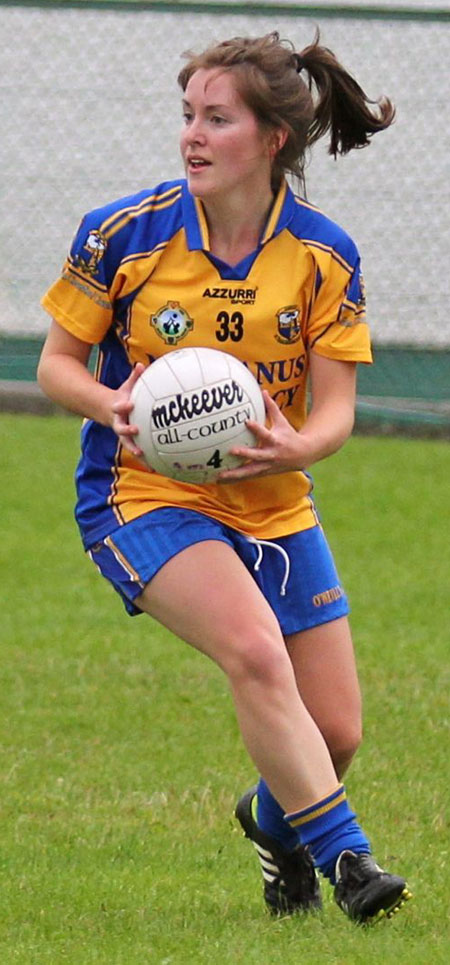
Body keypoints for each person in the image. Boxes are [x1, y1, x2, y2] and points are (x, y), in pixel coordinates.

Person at [38, 31, 412, 925]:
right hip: (143, 494)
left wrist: (298, 447)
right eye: (187, 117)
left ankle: (273, 823)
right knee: (252, 647)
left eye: (217, 118)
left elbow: (334, 410)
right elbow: (56, 364)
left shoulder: (323, 255)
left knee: (336, 731)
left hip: (274, 501)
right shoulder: (125, 233)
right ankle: (349, 861)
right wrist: (110, 400)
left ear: (272, 137)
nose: (192, 137)